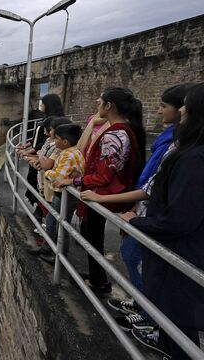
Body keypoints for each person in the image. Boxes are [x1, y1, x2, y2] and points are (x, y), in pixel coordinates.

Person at [80, 83, 191, 330]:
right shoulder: (150, 135)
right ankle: (143, 305)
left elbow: (105, 175)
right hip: (140, 203)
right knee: (136, 257)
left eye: (163, 106)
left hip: (144, 208)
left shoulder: (117, 134)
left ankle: (150, 315)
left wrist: (80, 182)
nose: (160, 110)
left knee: (134, 256)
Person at [121, 82, 204, 360]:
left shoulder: (193, 159)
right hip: (185, 251)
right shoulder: (191, 153)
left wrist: (137, 222)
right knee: (175, 317)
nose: (181, 110)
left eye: (185, 106)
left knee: (178, 318)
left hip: (182, 253)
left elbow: (179, 219)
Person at [60, 87, 146, 294]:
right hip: (104, 192)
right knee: (92, 237)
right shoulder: (125, 130)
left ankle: (98, 282)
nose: (97, 105)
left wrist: (75, 180)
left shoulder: (114, 135)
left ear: (109, 106)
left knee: (93, 237)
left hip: (101, 194)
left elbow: (103, 176)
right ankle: (97, 277)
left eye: (100, 102)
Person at [28, 123, 85, 263]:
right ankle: (47, 247)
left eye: (57, 139)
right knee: (51, 221)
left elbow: (59, 177)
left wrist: (46, 172)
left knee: (62, 226)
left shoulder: (69, 155)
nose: (54, 141)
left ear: (65, 142)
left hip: (66, 196)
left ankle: (61, 257)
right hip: (60, 194)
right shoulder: (70, 152)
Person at [18, 94, 65, 222]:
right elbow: (38, 140)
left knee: (43, 190)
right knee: (41, 189)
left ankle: (39, 214)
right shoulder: (56, 119)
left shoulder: (53, 123)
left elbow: (43, 144)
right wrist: (28, 148)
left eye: (43, 103)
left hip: (44, 165)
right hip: (42, 161)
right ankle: (39, 212)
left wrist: (30, 153)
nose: (41, 105)